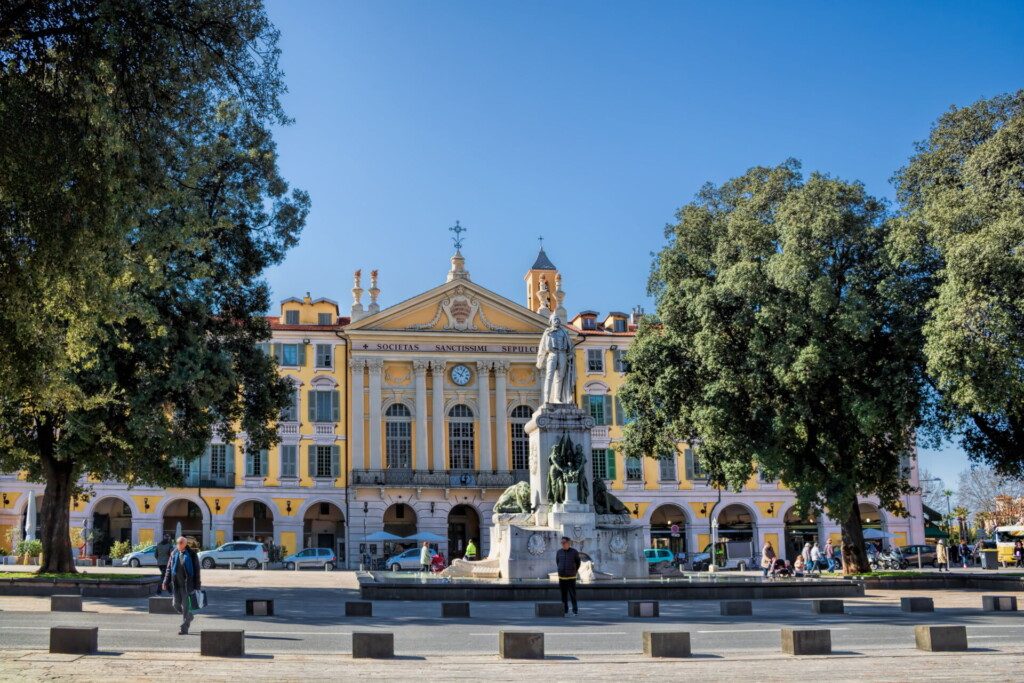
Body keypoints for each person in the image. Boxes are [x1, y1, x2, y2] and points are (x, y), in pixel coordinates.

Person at [162, 536, 202, 635]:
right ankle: (189, 616)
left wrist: (197, 586)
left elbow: (197, 571)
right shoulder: (174, 553)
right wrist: (165, 582)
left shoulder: (192, 554)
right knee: (175, 604)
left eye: (181, 543)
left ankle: (184, 628)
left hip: (187, 585)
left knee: (185, 606)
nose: (178, 545)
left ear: (185, 544)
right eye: (177, 543)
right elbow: (168, 569)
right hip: (176, 584)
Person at [555, 536, 581, 616]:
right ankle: (565, 610)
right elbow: (557, 562)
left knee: (573, 595)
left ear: (568, 543)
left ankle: (575, 610)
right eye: (561, 543)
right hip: (562, 577)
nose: (562, 544)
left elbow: (578, 563)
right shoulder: (559, 552)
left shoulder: (574, 552)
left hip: (571, 578)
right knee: (563, 596)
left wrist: (573, 571)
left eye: (564, 542)